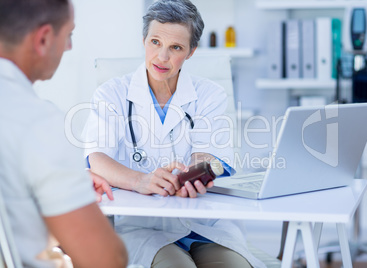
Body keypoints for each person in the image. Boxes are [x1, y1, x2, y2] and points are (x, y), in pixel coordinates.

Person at [82, 0, 265, 267]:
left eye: (176, 47)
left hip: (206, 225)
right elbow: (96, 157)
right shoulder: (112, 94)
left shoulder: (209, 94)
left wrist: (192, 175)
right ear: (144, 39)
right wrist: (140, 181)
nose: (162, 57)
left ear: (191, 51)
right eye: (155, 42)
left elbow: (211, 157)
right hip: (143, 227)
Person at [0, 0, 128, 267]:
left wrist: (61, 183)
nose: (69, 47)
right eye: (68, 35)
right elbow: (106, 260)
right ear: (44, 39)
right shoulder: (38, 122)